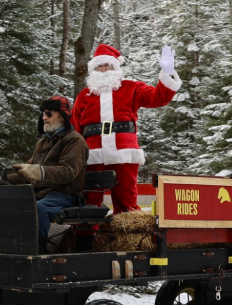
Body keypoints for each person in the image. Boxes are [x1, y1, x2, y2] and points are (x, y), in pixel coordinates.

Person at [70, 43, 181, 214]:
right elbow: (76, 127)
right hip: (94, 152)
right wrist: (77, 155)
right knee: (89, 200)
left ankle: (127, 238)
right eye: (100, 65)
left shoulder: (132, 87)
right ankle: (86, 237)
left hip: (124, 151)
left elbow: (158, 98)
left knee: (126, 200)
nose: (104, 69)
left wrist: (167, 73)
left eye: (108, 65)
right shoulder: (84, 95)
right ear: (94, 69)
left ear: (115, 67)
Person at [0, 96, 88, 252]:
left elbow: (68, 172)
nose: (44, 117)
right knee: (11, 204)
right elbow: (28, 171)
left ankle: (39, 250)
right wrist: (6, 180)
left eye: (49, 113)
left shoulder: (75, 141)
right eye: (43, 114)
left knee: (38, 208)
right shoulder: (43, 142)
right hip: (41, 193)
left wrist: (39, 172)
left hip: (64, 194)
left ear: (63, 115)